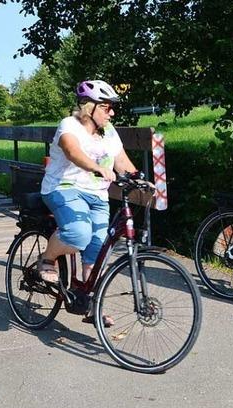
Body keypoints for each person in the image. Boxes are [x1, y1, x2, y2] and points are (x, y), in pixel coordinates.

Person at [37, 79, 141, 327]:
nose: (111, 112)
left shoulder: (109, 132)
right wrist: (96, 168)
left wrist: (141, 180)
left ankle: (91, 305)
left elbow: (122, 162)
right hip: (63, 189)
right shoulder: (69, 126)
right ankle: (47, 259)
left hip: (98, 196)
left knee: (97, 250)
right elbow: (73, 152)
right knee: (78, 235)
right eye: (106, 107)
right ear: (89, 107)